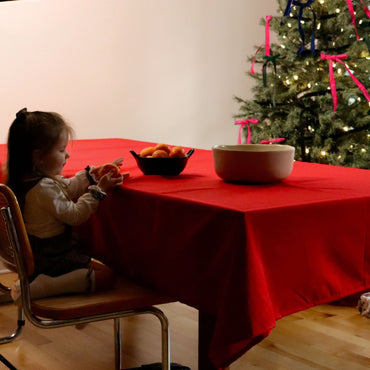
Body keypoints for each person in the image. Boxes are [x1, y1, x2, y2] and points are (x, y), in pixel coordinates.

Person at [6, 107, 126, 301]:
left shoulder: (28, 180)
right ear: (38, 157)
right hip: (50, 257)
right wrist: (99, 191)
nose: (67, 156)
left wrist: (91, 175)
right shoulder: (43, 187)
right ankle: (47, 285)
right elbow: (76, 215)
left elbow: (67, 189)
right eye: (61, 150)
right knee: (107, 276)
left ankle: (56, 287)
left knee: (99, 269)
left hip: (38, 254)